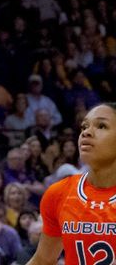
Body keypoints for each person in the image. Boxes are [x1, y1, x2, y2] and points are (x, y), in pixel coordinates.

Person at [27, 102, 116, 264]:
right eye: (84, 127)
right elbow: (43, 260)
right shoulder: (59, 193)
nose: (86, 133)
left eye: (101, 126)